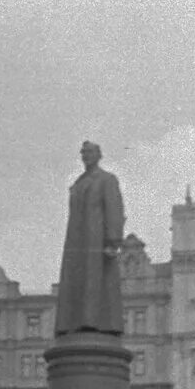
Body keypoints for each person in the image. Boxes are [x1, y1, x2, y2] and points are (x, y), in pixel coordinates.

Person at [55, 140, 126, 337]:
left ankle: (93, 321)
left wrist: (113, 240)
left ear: (98, 155)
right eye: (83, 153)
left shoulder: (107, 179)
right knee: (76, 280)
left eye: (90, 152)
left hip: (96, 240)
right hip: (76, 240)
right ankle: (73, 322)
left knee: (96, 279)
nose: (86, 156)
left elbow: (114, 209)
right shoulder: (78, 183)